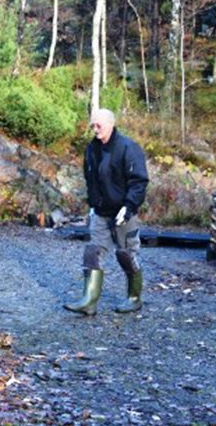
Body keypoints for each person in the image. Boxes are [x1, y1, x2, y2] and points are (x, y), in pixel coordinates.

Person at [64, 108, 150, 316]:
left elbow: (139, 181)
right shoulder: (91, 150)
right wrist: (93, 204)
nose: (94, 129)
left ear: (110, 124)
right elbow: (90, 179)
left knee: (126, 254)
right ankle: (89, 301)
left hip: (123, 212)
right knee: (92, 252)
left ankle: (134, 297)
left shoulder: (128, 148)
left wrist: (128, 207)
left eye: (98, 125)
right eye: (92, 125)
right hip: (101, 212)